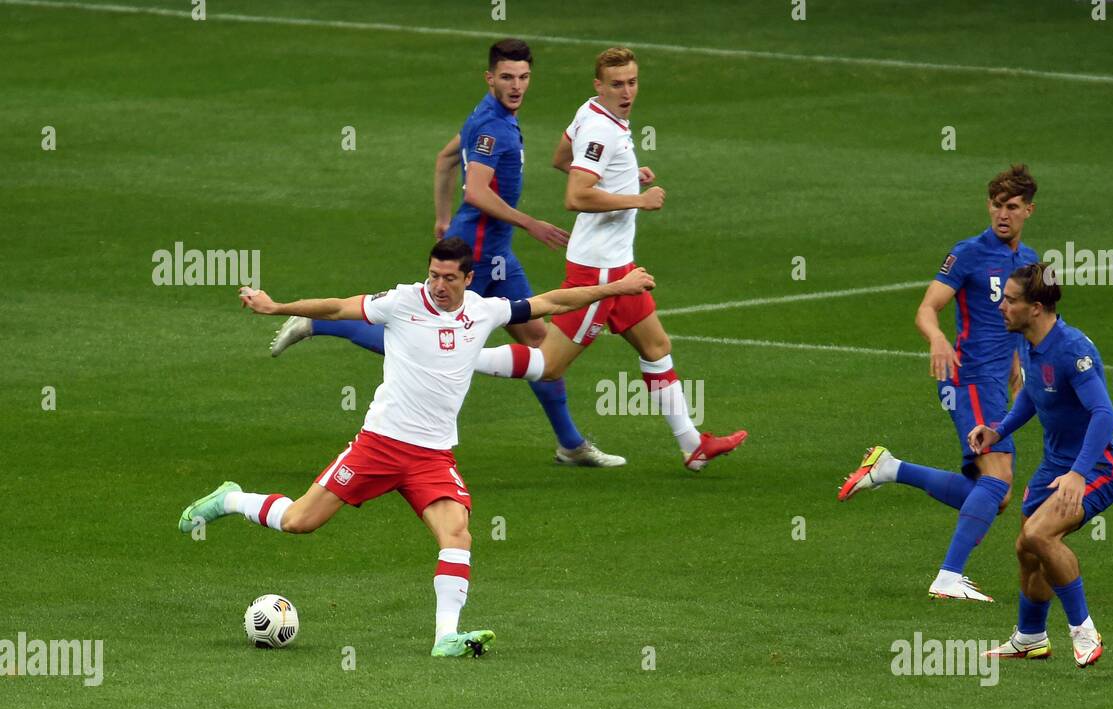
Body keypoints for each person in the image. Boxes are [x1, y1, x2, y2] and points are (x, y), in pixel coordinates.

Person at [178, 237, 654, 657]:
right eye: (433, 274)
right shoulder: (403, 302)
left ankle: (445, 636)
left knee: (457, 535)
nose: (438, 285)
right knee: (300, 521)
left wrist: (617, 287)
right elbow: (338, 306)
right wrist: (277, 307)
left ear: (469, 278)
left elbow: (550, 301)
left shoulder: (485, 310)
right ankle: (231, 498)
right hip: (380, 445)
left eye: (449, 277)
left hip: (432, 456)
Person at [267, 39, 622, 468]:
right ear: (490, 77)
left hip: (496, 253)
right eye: (507, 77)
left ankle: (569, 443)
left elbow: (446, 157)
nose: (516, 85)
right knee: (425, 339)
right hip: (473, 255)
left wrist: (440, 217)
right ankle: (320, 323)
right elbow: (475, 190)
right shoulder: (494, 126)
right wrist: (530, 223)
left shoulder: (487, 114)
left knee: (540, 346)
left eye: (524, 77)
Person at [838, 165, 1040, 601]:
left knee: (995, 495)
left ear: (1028, 210)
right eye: (995, 205)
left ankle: (890, 467)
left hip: (993, 385)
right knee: (999, 478)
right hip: (965, 377)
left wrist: (1020, 376)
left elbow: (1023, 328)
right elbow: (926, 308)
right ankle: (948, 575)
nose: (1002, 214)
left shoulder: (1031, 263)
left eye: (1011, 207)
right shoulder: (967, 253)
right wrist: (936, 337)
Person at [542, 46, 747, 471]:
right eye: (617, 84)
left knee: (656, 346)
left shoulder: (590, 114)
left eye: (632, 82)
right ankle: (455, 354)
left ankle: (692, 446)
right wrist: (639, 198)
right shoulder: (603, 130)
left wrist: (622, 176)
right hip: (598, 268)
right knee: (548, 366)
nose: (627, 91)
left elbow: (562, 158)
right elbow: (575, 195)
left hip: (620, 266)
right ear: (599, 85)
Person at [968, 263, 1113, 667]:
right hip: (1054, 465)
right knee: (1026, 548)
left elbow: (1104, 414)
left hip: (1095, 467)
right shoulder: (1028, 342)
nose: (1001, 306)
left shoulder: (1072, 350)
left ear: (1036, 307)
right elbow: (1032, 395)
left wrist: (1077, 473)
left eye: (1010, 300)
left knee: (1040, 535)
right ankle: (1031, 638)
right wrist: (998, 431)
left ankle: (1084, 631)